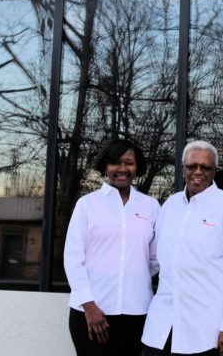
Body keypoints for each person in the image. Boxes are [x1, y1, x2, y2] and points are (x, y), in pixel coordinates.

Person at [142, 141, 223, 356]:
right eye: (192, 166)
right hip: (161, 325)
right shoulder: (170, 205)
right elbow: (155, 259)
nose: (198, 172)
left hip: (208, 331)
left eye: (205, 167)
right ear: (182, 168)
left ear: (214, 171)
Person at [64, 138, 160, 356]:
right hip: (91, 313)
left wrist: (132, 275)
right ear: (105, 166)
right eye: (116, 162)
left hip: (137, 313)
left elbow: (154, 260)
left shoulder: (151, 206)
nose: (123, 169)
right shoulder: (87, 205)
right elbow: (73, 259)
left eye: (129, 163)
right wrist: (89, 305)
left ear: (137, 167)